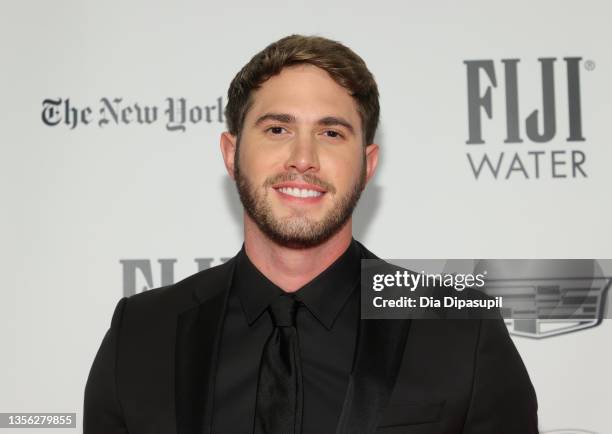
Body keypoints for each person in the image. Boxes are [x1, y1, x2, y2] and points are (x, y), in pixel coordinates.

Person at [83, 34, 538, 434]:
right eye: (278, 129)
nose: (303, 158)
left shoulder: (460, 329)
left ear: (368, 163)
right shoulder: (142, 334)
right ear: (231, 152)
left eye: (332, 133)